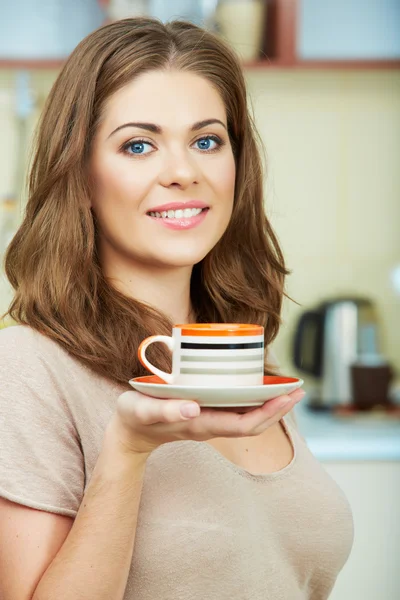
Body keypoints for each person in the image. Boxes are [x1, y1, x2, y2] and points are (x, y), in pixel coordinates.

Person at [0, 17, 353, 600]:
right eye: (138, 145)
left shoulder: (237, 359)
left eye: (207, 141)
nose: (184, 172)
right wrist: (127, 450)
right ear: (80, 174)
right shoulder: (27, 369)